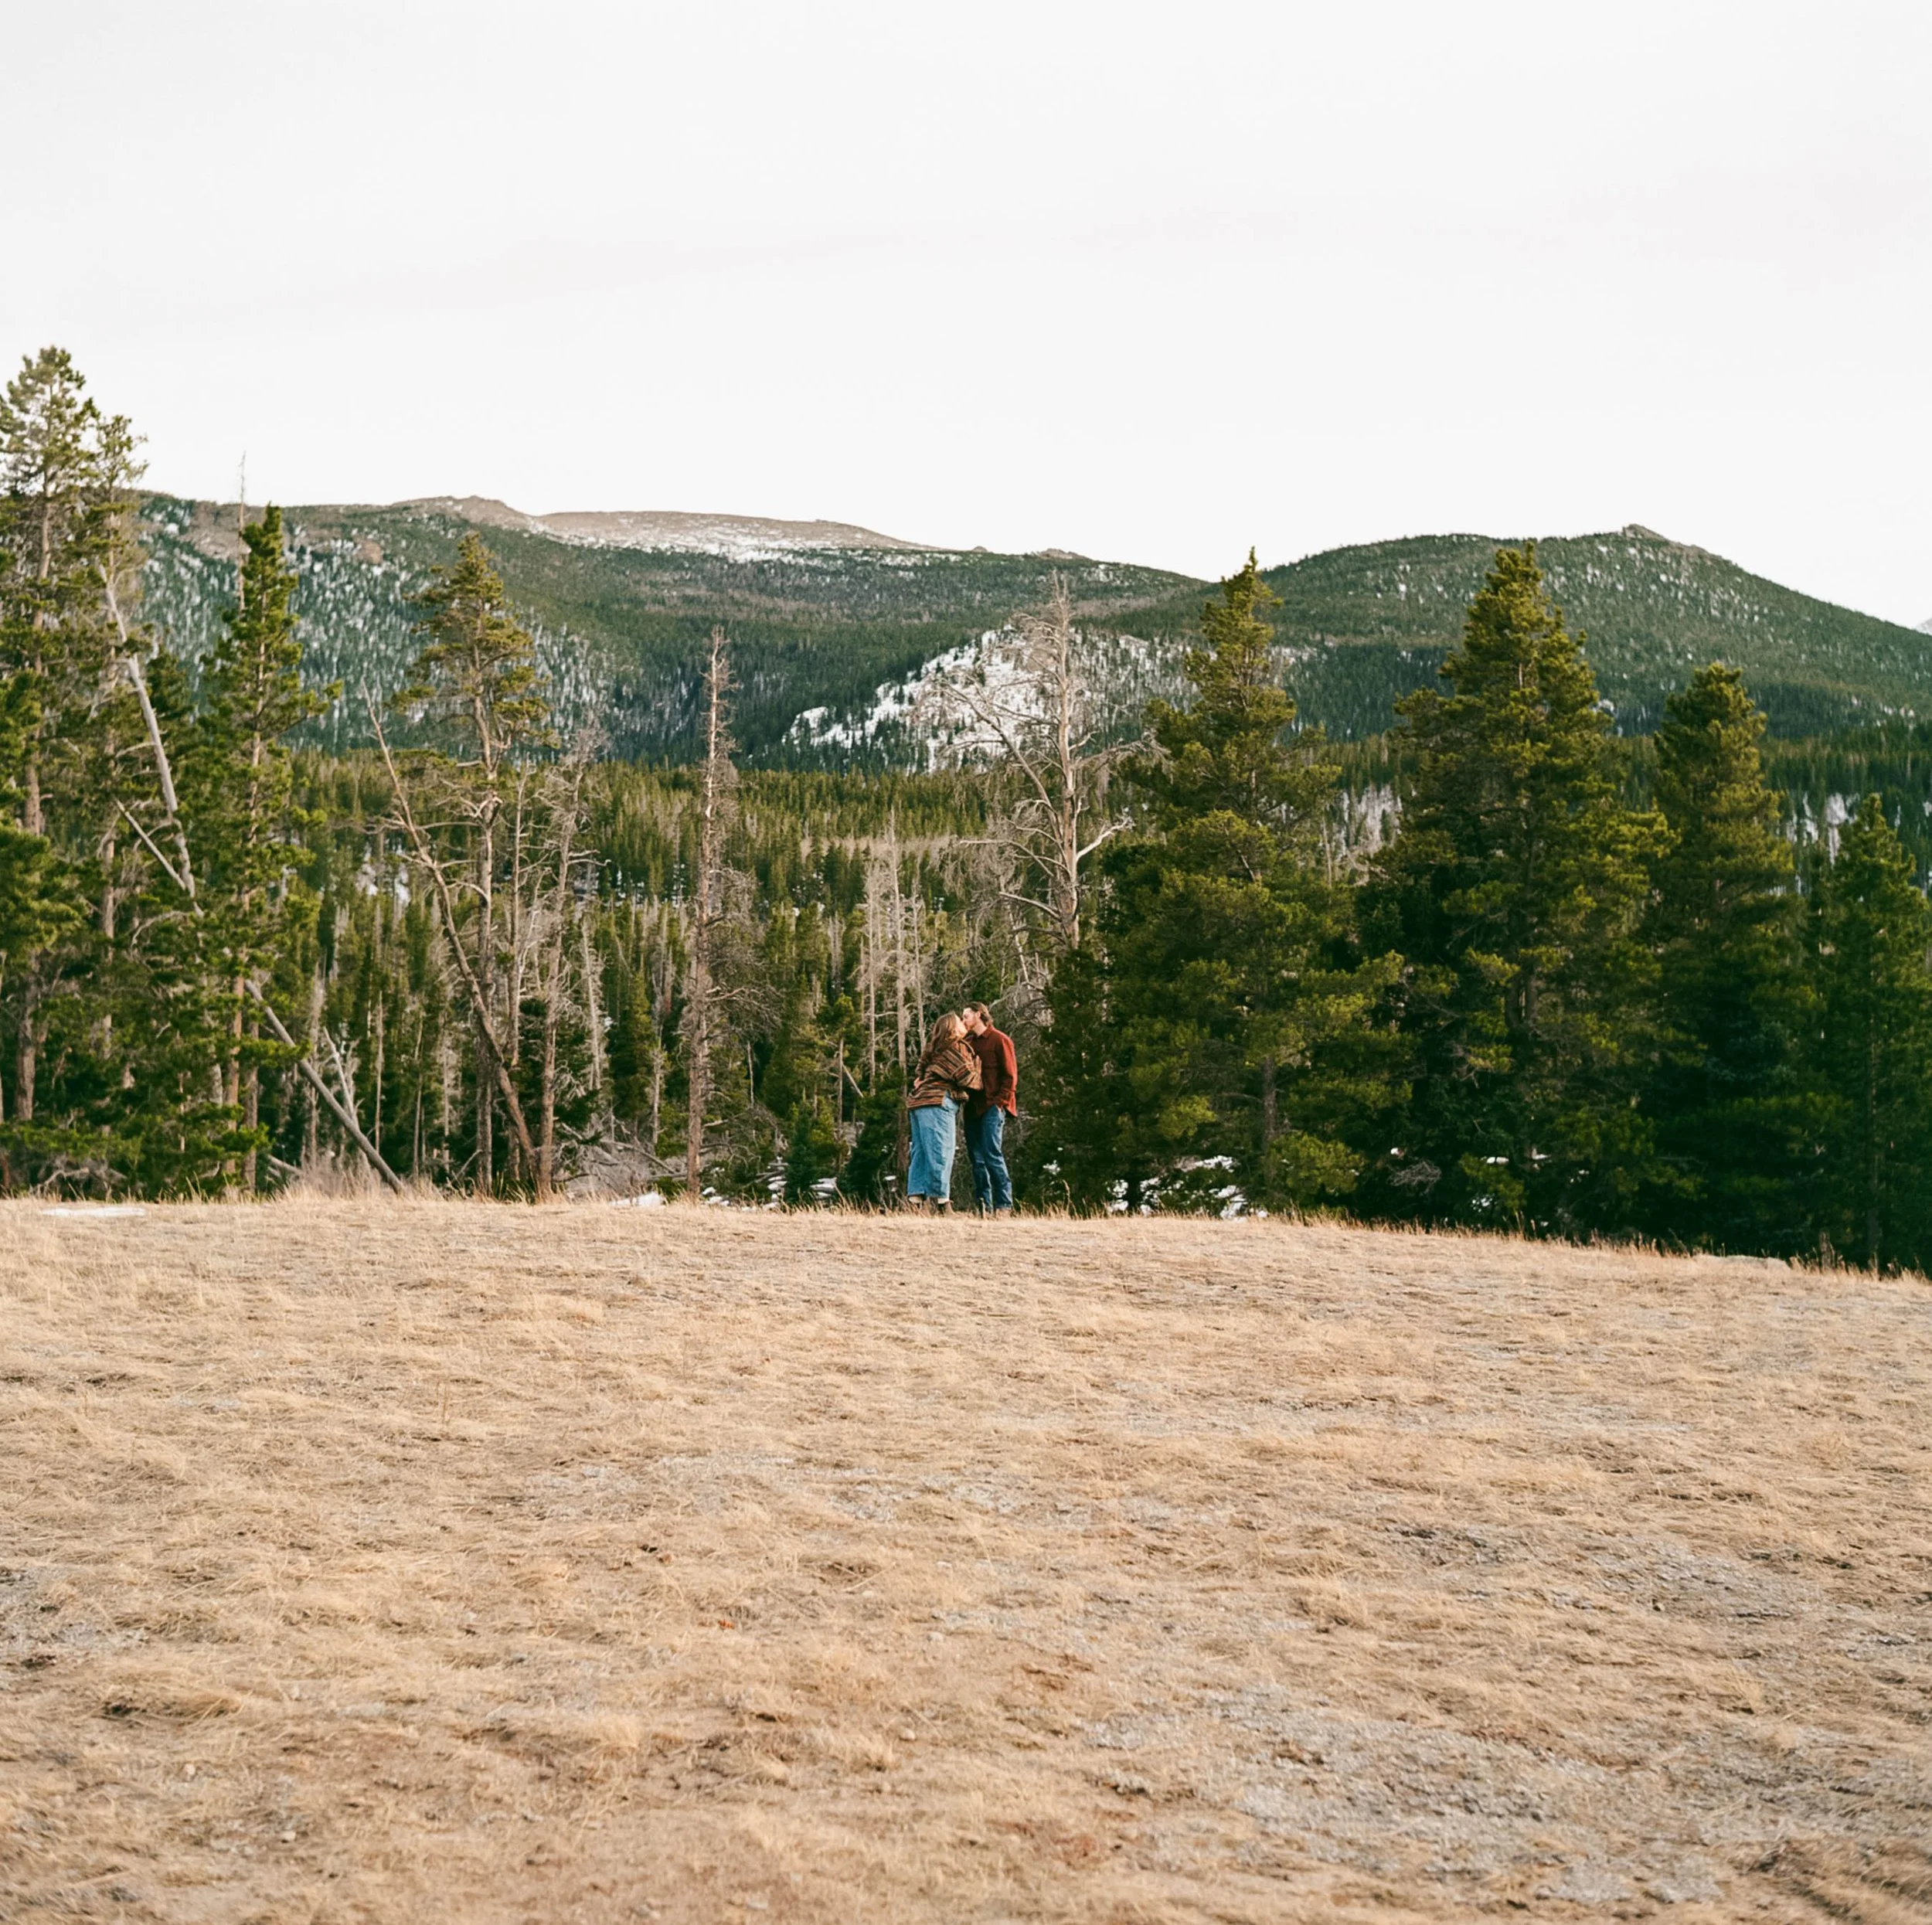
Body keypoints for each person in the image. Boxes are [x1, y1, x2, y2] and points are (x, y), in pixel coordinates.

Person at [903, 1013, 981, 1212]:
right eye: (959, 1021)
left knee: (920, 1151)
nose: (964, 1023)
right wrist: (979, 1071)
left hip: (918, 1102)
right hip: (938, 1101)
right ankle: (941, 1200)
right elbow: (966, 1077)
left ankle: (916, 1198)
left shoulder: (933, 1050)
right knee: (941, 1149)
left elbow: (919, 1074)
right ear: (952, 1029)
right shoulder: (956, 1047)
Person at [962, 1002, 1017, 1216]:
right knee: (976, 1159)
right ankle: (982, 1205)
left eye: (966, 1016)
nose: (964, 1020)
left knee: (992, 1154)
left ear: (978, 1015)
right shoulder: (967, 1043)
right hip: (972, 1107)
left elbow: (1010, 1076)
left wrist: (999, 1103)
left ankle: (1004, 1204)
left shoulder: (1000, 1040)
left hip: (992, 1106)